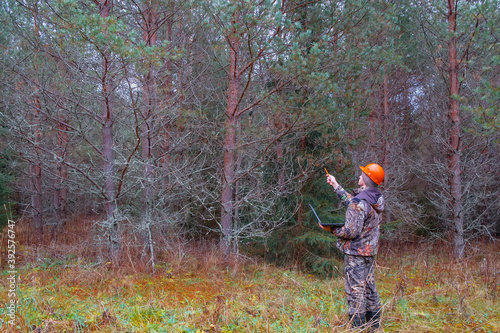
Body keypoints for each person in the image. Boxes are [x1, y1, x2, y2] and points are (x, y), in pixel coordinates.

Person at [319, 163, 385, 330]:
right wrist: (335, 185)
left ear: (367, 179)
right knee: (370, 289)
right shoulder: (375, 198)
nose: (359, 175)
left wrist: (332, 229)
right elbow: (352, 203)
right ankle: (374, 326)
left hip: (355, 253)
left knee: (355, 292)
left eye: (362, 173)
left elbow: (350, 231)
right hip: (369, 251)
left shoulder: (359, 201)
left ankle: (358, 328)